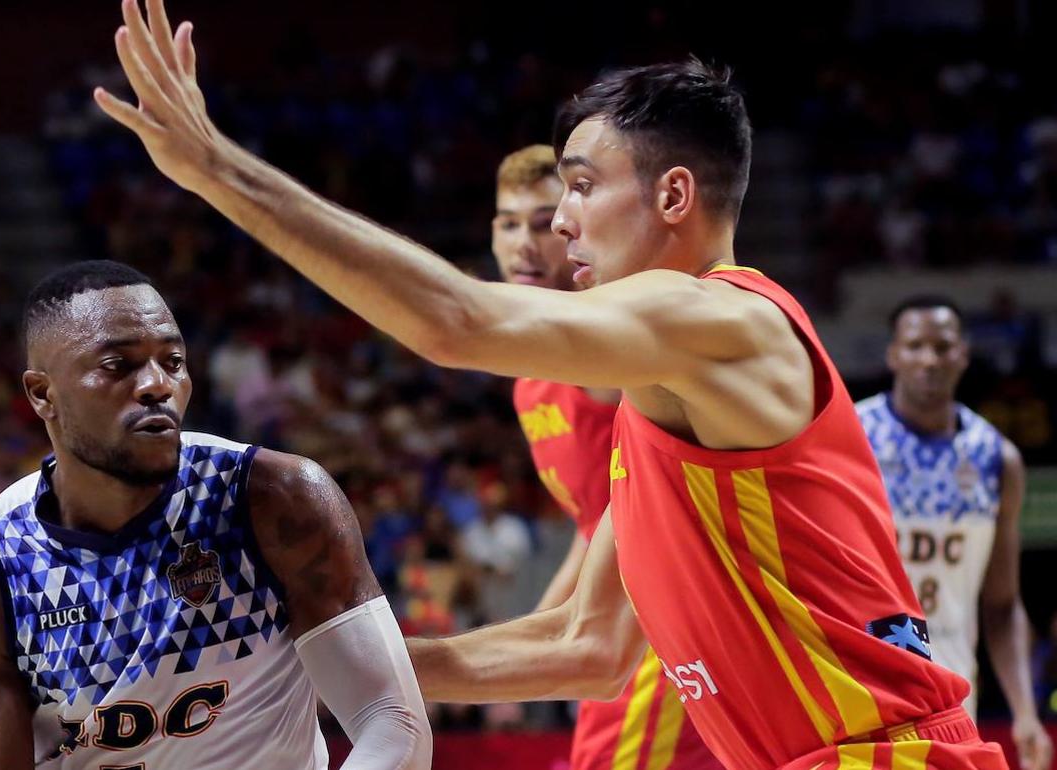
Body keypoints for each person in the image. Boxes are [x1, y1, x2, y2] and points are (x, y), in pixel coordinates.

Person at [93, 2, 1008, 767]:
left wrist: (215, 169)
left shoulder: (720, 318)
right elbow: (587, 646)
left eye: (580, 185)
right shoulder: (662, 402)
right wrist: (316, 662)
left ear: (674, 197)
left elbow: (456, 323)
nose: (561, 222)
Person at [0, 261, 432, 769]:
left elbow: (392, 721)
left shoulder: (273, 498)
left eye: (173, 361)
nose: (156, 384)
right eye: (118, 365)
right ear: (42, 394)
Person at [492, 144, 719, 770]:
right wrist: (534, 635)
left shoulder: (608, 349)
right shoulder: (529, 379)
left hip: (666, 624)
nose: (525, 244)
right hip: (621, 621)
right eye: (508, 224)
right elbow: (596, 524)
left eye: (545, 223)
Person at [857, 297, 1053, 770]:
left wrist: (1026, 712)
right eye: (915, 346)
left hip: (950, 688)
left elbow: (1002, 605)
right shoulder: (853, 436)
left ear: (963, 354)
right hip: (862, 679)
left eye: (942, 347)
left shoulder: (996, 458)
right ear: (893, 355)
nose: (929, 359)